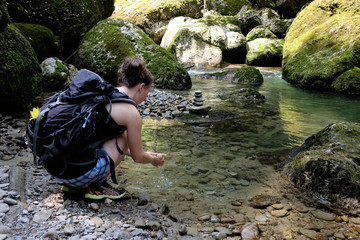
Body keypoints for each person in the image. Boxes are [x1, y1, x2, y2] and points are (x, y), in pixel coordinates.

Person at [59, 57, 166, 200]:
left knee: (113, 137)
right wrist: (153, 159)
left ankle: (73, 186)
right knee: (122, 140)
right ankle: (96, 187)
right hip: (77, 176)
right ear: (141, 87)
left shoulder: (102, 94)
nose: (144, 100)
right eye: (146, 95)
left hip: (58, 169)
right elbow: (138, 157)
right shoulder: (131, 112)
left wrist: (144, 153)